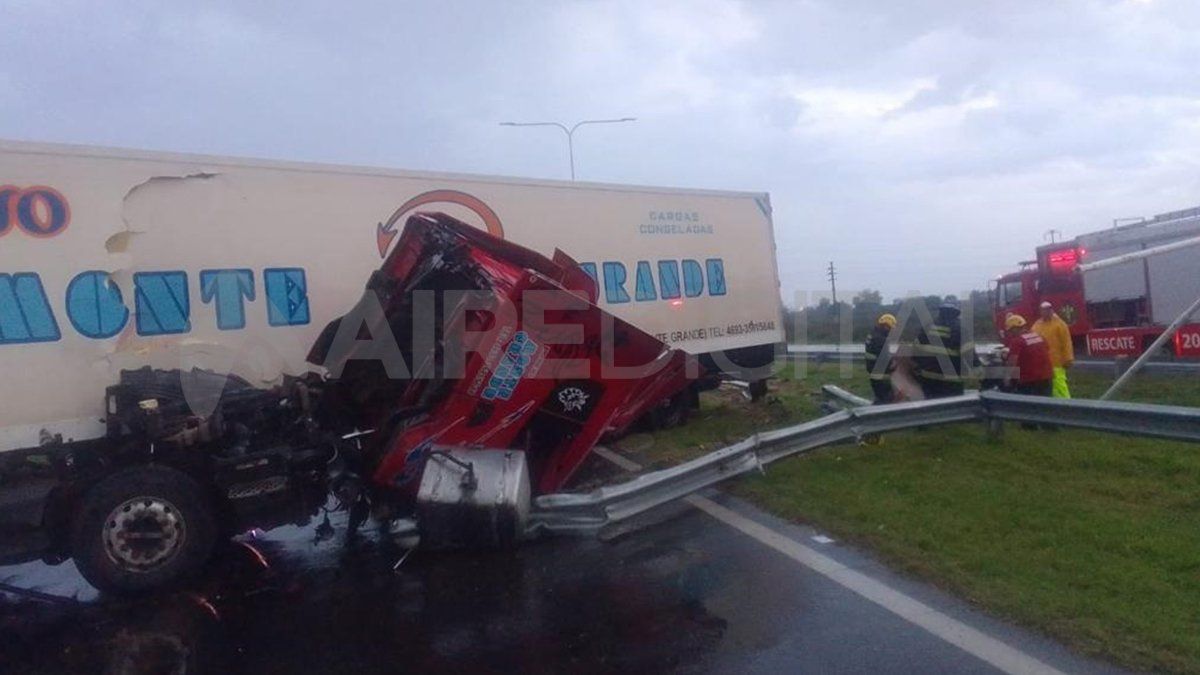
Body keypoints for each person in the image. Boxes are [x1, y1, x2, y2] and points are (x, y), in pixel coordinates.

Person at [912, 302, 971, 398]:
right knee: (951, 408)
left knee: (931, 407)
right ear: (956, 313)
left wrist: (919, 366)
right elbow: (969, 354)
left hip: (928, 377)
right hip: (951, 380)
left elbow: (915, 349)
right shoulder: (959, 329)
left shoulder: (928, 327)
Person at [1003, 314, 1053, 397]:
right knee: (1045, 405)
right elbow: (1045, 350)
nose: (1010, 334)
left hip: (1029, 380)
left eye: (1010, 331)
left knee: (1028, 407)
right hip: (1047, 377)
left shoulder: (1017, 341)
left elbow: (1012, 361)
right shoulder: (1039, 336)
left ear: (1015, 328)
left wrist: (1007, 378)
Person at [1032, 301, 1074, 398]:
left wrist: (1068, 359)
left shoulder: (1060, 324)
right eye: (1043, 310)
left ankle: (1067, 405)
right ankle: (1056, 406)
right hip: (1042, 363)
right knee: (1050, 388)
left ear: (1051, 310)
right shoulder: (1037, 325)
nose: (1045, 312)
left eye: (1047, 310)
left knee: (1060, 386)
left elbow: (1066, 342)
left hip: (1057, 362)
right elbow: (1031, 338)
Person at [864, 313, 897, 403]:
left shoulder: (872, 335)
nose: (891, 331)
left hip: (873, 374)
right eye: (890, 328)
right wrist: (894, 365)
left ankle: (873, 413)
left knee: (879, 397)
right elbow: (886, 360)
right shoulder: (881, 340)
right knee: (886, 399)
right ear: (886, 326)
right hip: (882, 376)